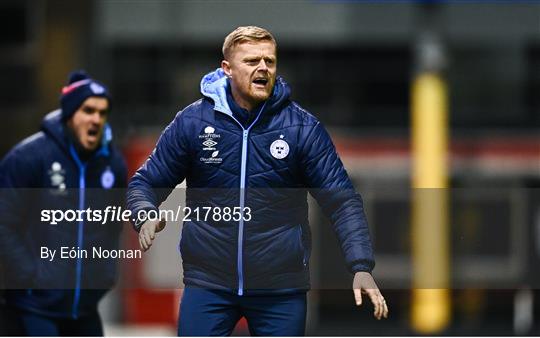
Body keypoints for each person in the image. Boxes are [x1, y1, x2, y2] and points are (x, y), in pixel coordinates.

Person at [127, 26, 388, 336]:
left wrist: (361, 266)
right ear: (227, 69)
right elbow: (145, 182)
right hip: (208, 285)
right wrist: (144, 212)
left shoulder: (302, 129)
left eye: (270, 61)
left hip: (280, 290)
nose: (263, 68)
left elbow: (342, 201)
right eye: (252, 61)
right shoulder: (193, 123)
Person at [0, 70, 127, 336]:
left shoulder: (111, 165)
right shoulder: (29, 158)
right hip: (34, 307)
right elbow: (4, 224)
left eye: (102, 113)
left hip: (84, 310)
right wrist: (30, 275)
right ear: (69, 114)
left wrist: (105, 274)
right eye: (88, 110)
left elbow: (112, 228)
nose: (96, 119)